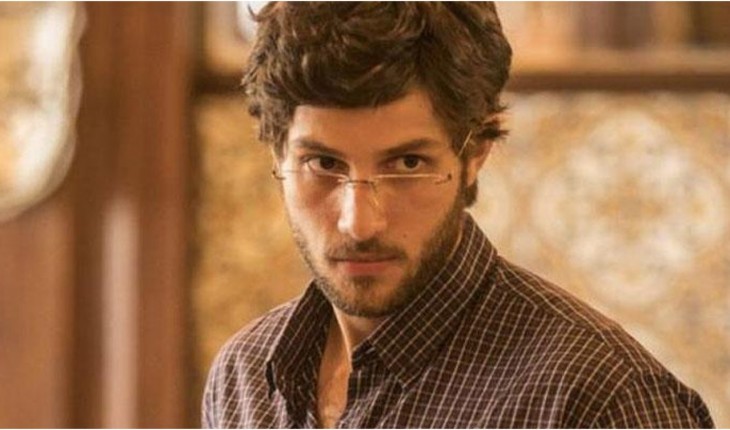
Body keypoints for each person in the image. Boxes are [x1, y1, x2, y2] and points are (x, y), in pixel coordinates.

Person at [202, 3, 715, 428]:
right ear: (278, 156)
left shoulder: (599, 399)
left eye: (407, 164)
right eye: (324, 164)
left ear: (475, 155)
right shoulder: (244, 377)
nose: (359, 222)